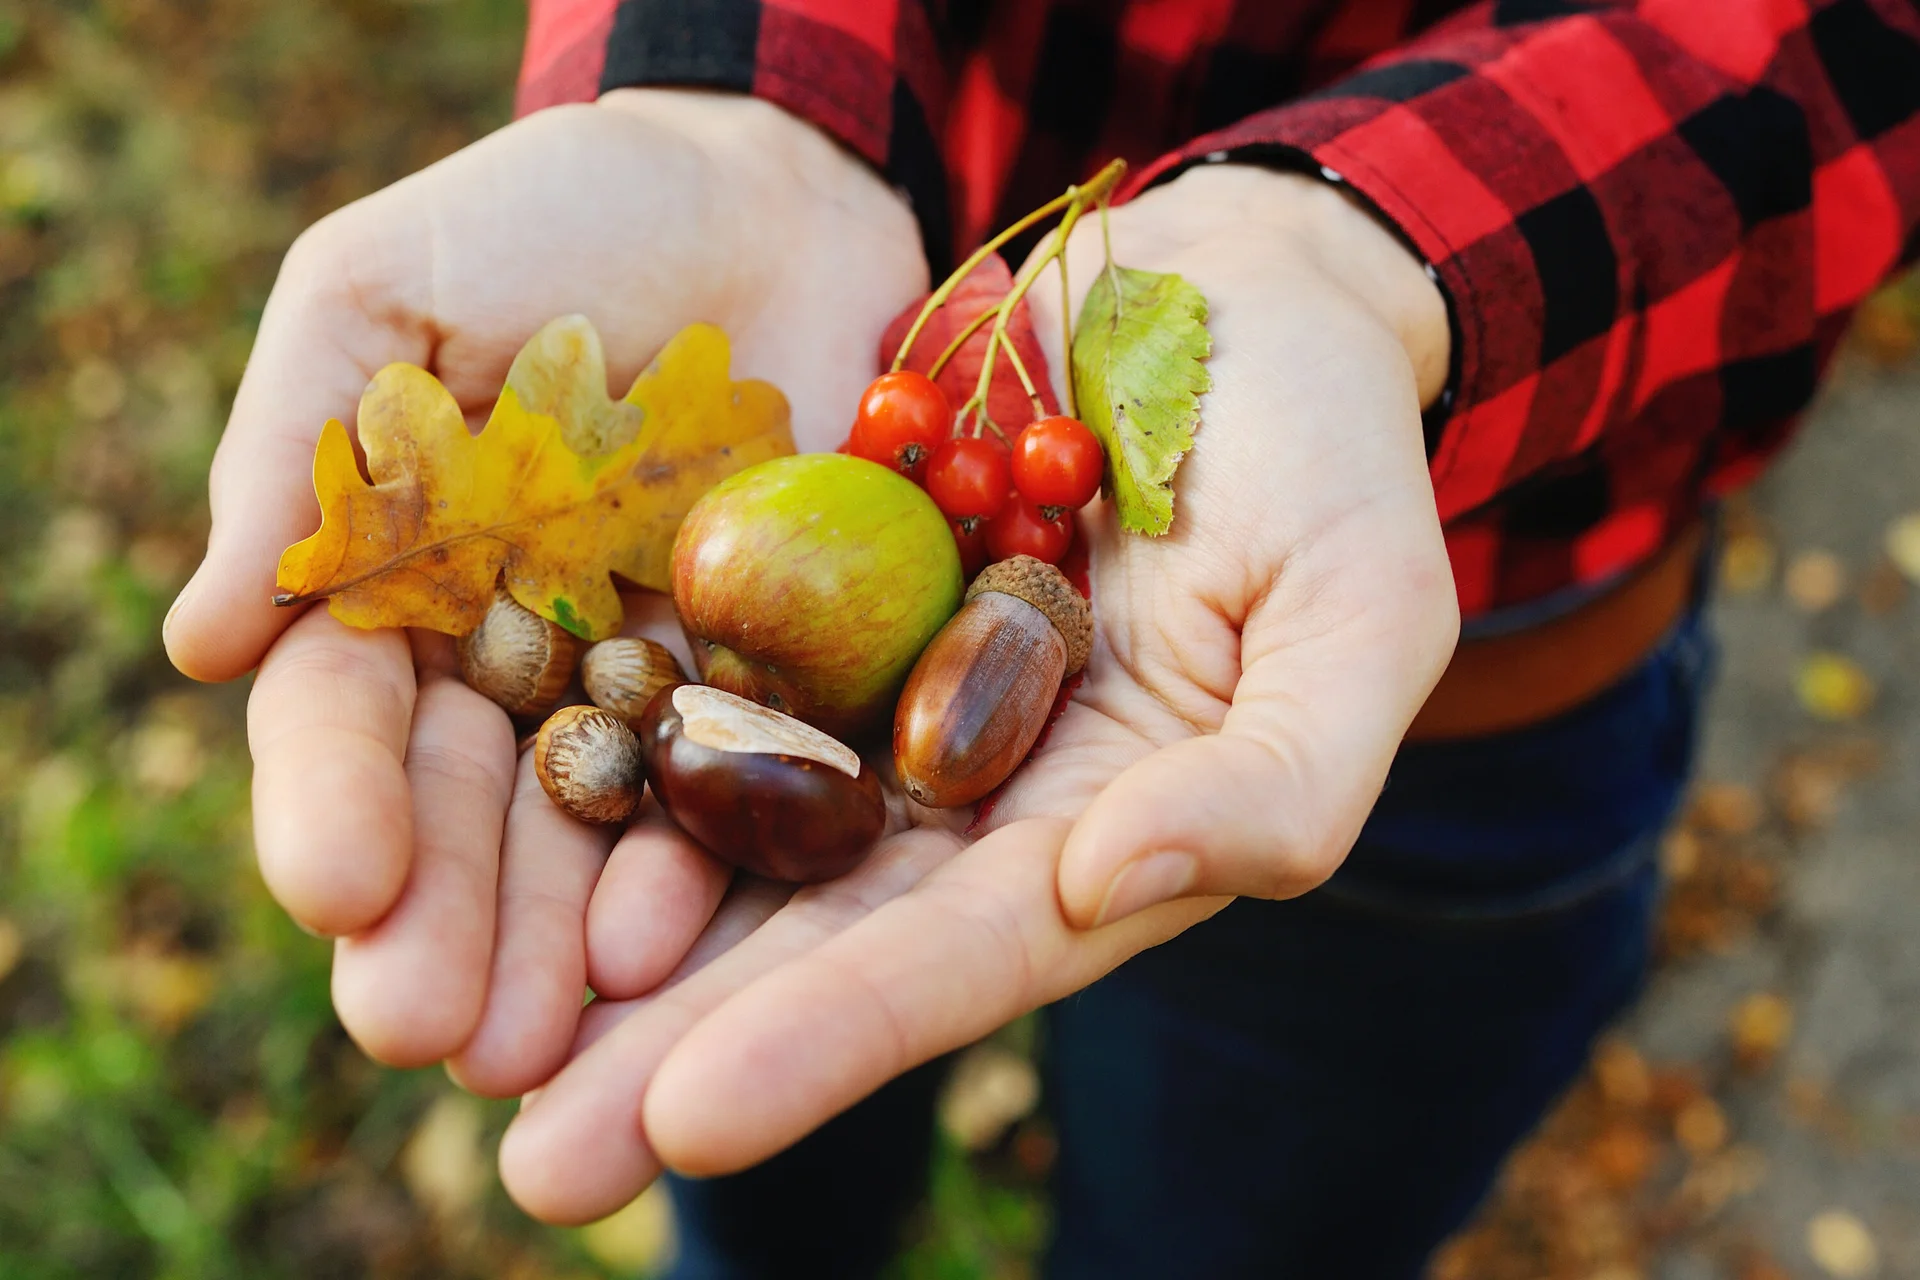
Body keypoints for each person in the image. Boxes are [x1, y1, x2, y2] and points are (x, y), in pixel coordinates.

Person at [162, 1, 1920, 1275]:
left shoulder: (1023, 524)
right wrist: (724, 85)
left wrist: (1363, 255)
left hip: (1486, 674)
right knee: (755, 1172)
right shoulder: (864, 535)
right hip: (915, 302)